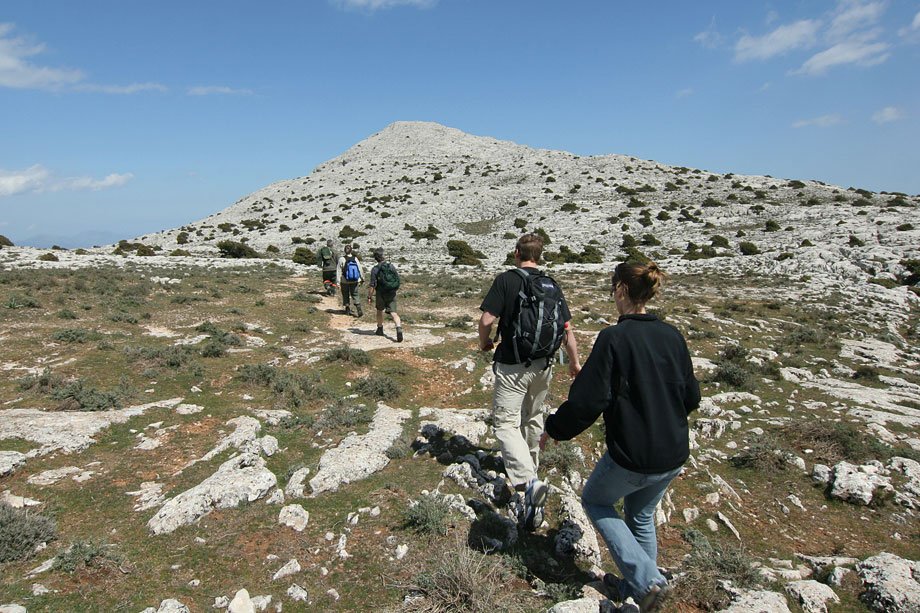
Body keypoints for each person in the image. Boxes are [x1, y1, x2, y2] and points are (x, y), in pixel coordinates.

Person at [541, 261, 701, 613]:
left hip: (633, 455)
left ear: (621, 291)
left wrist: (555, 428)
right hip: (673, 452)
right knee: (641, 516)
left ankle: (648, 581)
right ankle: (638, 591)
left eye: (613, 288)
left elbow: (588, 401)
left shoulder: (614, 338)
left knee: (596, 500)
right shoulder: (672, 335)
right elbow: (691, 397)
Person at [478, 232, 581, 531]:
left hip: (513, 365)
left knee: (506, 423)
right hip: (544, 365)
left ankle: (528, 480)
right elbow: (567, 329)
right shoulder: (551, 284)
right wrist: (574, 362)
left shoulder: (507, 280)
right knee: (534, 416)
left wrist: (483, 343)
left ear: (516, 253)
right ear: (540, 255)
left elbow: (487, 320)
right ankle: (532, 465)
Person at [366, 248, 404, 342]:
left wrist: (369, 296)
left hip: (380, 293)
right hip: (391, 292)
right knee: (394, 312)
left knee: (379, 310)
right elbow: (397, 279)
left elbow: (372, 285)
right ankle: (398, 328)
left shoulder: (375, 269)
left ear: (376, 258)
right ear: (383, 256)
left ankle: (380, 329)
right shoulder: (391, 266)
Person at [336, 244, 364, 317]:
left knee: (345, 294)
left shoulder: (341, 259)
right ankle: (358, 307)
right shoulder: (355, 258)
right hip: (354, 280)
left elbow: (338, 271)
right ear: (351, 250)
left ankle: (347, 308)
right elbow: (360, 269)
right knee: (355, 294)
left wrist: (338, 282)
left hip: (344, 280)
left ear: (344, 250)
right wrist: (362, 279)